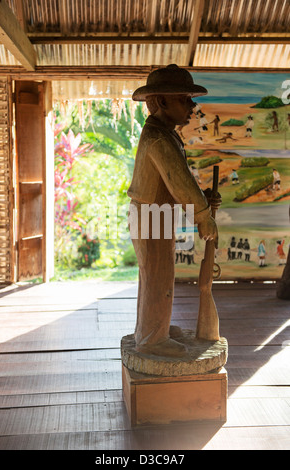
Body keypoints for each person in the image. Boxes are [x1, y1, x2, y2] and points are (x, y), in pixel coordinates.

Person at [127, 64, 221, 357]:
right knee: (158, 277)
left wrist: (203, 200)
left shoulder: (163, 133)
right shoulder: (159, 138)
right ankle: (153, 338)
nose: (192, 105)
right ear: (163, 102)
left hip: (154, 215)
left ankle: (153, 329)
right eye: (185, 98)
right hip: (151, 217)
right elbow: (179, 183)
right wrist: (203, 216)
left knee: (156, 275)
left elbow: (176, 183)